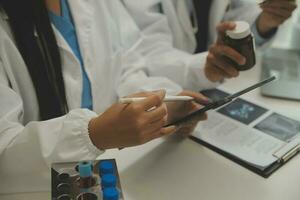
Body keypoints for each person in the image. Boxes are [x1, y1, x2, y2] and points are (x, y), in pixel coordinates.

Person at [0, 0, 208, 193]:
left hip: (111, 168)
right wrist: (93, 134)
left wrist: (160, 110)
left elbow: (126, 67)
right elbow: (5, 153)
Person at [122, 0, 297, 88]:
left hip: (216, 90)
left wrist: (264, 23)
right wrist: (201, 67)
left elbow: (240, 15)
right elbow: (146, 53)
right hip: (159, 96)